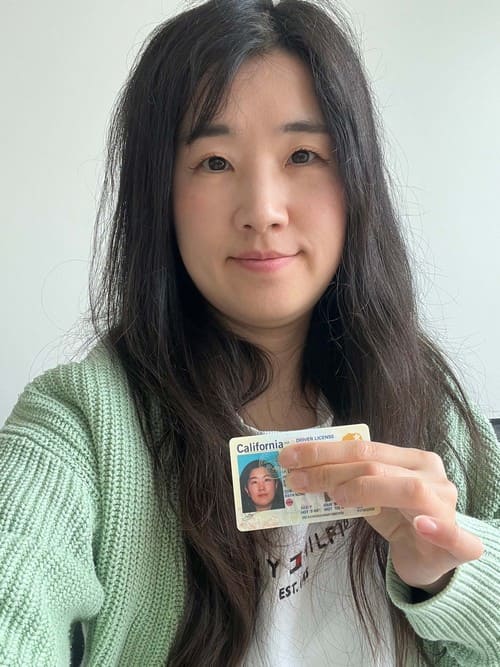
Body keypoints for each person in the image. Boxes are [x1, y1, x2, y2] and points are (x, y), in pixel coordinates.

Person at [0, 0, 498, 665]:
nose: (263, 210)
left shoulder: (425, 398)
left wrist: (448, 580)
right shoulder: (79, 427)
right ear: (160, 194)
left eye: (303, 154)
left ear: (356, 181)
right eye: (214, 161)